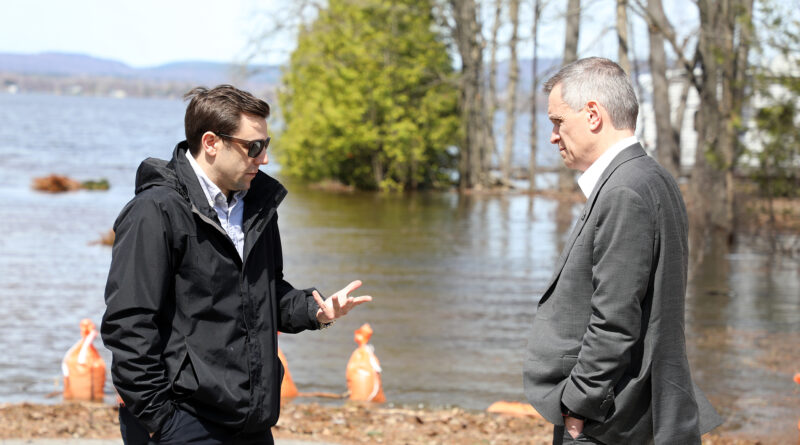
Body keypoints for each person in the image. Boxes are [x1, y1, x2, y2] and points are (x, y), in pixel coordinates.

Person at [101, 84, 371, 445]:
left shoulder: (258, 207)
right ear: (211, 143)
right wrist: (159, 419)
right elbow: (129, 324)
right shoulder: (155, 211)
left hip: (251, 421)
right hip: (183, 423)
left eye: (266, 145)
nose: (264, 159)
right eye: (253, 147)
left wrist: (315, 310)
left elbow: (263, 295)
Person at [522, 57, 723, 444]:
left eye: (558, 121)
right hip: (638, 414)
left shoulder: (625, 190)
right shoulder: (653, 178)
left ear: (593, 115)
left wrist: (579, 403)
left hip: (613, 423)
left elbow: (614, 320)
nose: (553, 136)